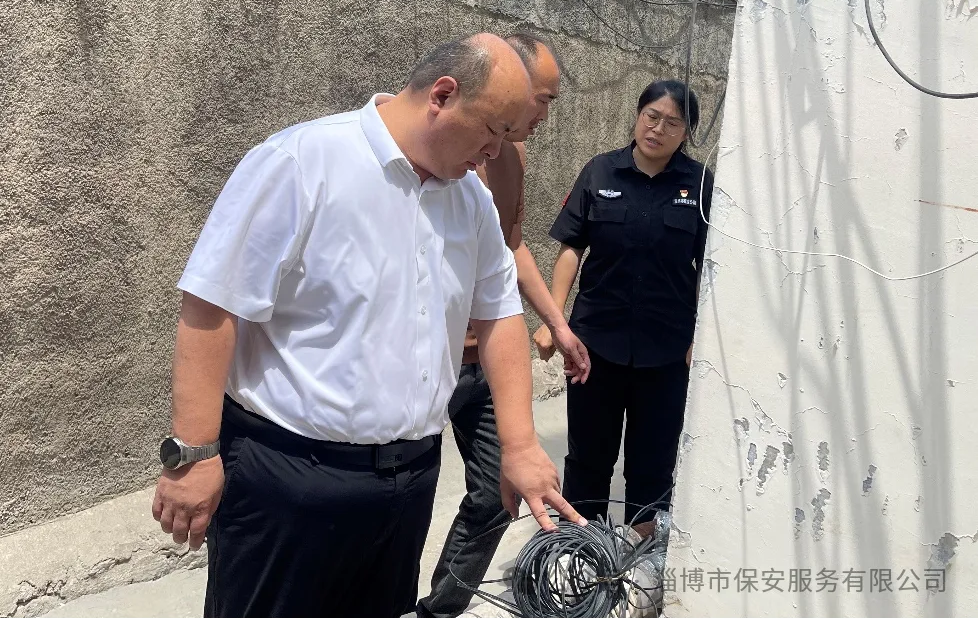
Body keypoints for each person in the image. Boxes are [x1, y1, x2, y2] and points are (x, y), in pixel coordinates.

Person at [151, 33, 586, 619]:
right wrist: (195, 454)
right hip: (289, 479)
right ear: (442, 96)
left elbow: (500, 314)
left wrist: (521, 444)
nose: (494, 153)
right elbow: (212, 306)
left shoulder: (470, 200)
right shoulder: (303, 163)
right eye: (493, 131)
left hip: (407, 485)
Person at [417, 35, 590, 619]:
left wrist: (557, 324)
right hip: (429, 358)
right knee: (397, 498)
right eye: (543, 99)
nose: (542, 115)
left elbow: (510, 248)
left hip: (486, 361)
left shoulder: (510, 156)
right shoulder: (436, 149)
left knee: (499, 493)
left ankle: (441, 609)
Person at [535, 79, 713, 530]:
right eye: (652, 116)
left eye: (673, 123)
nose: (658, 129)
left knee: (653, 463)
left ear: (686, 132)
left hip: (667, 351)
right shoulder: (600, 172)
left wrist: (702, 335)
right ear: (638, 116)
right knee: (588, 458)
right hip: (594, 346)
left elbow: (709, 266)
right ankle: (581, 552)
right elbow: (572, 248)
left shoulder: (699, 184)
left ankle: (641, 557)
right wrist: (555, 321)